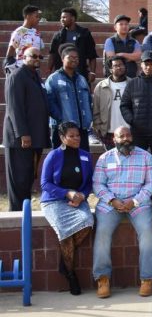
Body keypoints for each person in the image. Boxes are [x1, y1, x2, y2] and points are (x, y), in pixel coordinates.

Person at [92, 126, 152, 298]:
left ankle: (147, 279)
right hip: (110, 204)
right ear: (114, 139)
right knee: (102, 232)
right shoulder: (104, 158)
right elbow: (98, 184)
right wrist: (113, 200)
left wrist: (134, 201)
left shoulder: (145, 156)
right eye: (122, 136)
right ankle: (103, 278)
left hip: (138, 203)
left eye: (129, 135)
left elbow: (151, 184)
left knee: (146, 233)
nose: (126, 139)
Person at [40, 122, 94, 295]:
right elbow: (45, 183)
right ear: (62, 138)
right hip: (54, 201)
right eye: (71, 136)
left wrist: (82, 196)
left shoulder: (85, 155)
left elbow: (89, 183)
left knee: (87, 221)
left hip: (77, 201)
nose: (76, 138)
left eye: (78, 135)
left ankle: (65, 262)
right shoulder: (53, 156)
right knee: (65, 232)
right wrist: (67, 193)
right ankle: (71, 274)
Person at [3, 47, 50, 212]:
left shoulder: (35, 76)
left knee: (28, 177)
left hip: (35, 137)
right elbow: (14, 109)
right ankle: (16, 213)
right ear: (22, 56)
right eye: (33, 56)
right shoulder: (16, 75)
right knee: (19, 179)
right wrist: (23, 133)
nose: (37, 58)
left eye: (39, 56)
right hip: (21, 139)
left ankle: (25, 212)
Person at [45, 44, 93, 150]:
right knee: (62, 162)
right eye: (70, 57)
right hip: (62, 129)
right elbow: (50, 103)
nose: (74, 60)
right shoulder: (53, 79)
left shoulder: (82, 79)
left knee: (82, 160)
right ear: (62, 59)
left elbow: (89, 101)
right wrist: (63, 121)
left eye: (76, 58)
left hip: (81, 128)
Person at [93, 56, 130, 150]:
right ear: (110, 69)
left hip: (129, 131)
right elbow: (96, 109)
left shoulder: (132, 83)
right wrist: (98, 127)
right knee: (112, 160)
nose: (119, 67)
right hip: (109, 131)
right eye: (115, 65)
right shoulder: (101, 86)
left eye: (121, 65)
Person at [50, 7, 96, 80]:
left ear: (73, 18)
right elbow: (52, 54)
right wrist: (49, 71)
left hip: (80, 73)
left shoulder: (84, 33)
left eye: (64, 17)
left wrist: (92, 72)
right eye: (61, 17)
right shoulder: (58, 35)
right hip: (62, 74)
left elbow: (92, 55)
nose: (61, 19)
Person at [5, 5, 43, 70]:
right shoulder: (20, 32)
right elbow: (10, 52)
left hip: (35, 69)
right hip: (22, 68)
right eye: (36, 16)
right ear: (28, 16)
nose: (38, 19)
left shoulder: (36, 32)